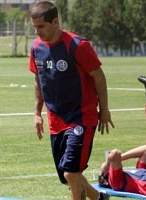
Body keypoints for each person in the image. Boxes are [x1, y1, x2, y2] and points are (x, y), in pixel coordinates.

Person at [28, 1, 114, 199]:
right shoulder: (36, 48)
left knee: (71, 172)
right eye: (34, 27)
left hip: (81, 117)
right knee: (67, 177)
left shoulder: (77, 45)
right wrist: (37, 113)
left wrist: (105, 109)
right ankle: (99, 197)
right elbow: (38, 80)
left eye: (41, 26)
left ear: (55, 22)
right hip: (56, 120)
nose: (37, 32)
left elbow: (98, 76)